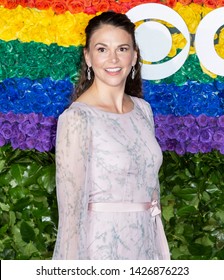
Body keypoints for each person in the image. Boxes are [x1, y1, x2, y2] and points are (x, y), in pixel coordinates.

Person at [52, 11, 170, 260]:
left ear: (134, 55)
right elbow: (70, 216)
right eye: (102, 49)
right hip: (101, 251)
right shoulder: (76, 119)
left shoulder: (143, 110)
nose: (113, 59)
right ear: (88, 57)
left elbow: (151, 193)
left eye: (122, 48)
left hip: (147, 248)